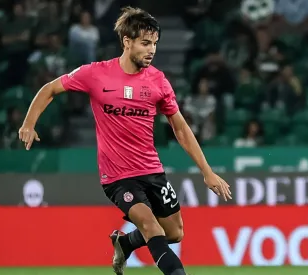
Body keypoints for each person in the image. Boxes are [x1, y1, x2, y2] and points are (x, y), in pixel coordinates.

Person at [18, 7, 232, 275]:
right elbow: (50, 88)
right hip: (117, 177)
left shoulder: (158, 81)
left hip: (152, 170)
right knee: (151, 228)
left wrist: (207, 172)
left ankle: (125, 243)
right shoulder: (95, 74)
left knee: (175, 233)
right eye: (145, 43)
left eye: (154, 43)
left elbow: (180, 128)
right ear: (126, 42)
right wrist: (29, 123)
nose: (151, 50)